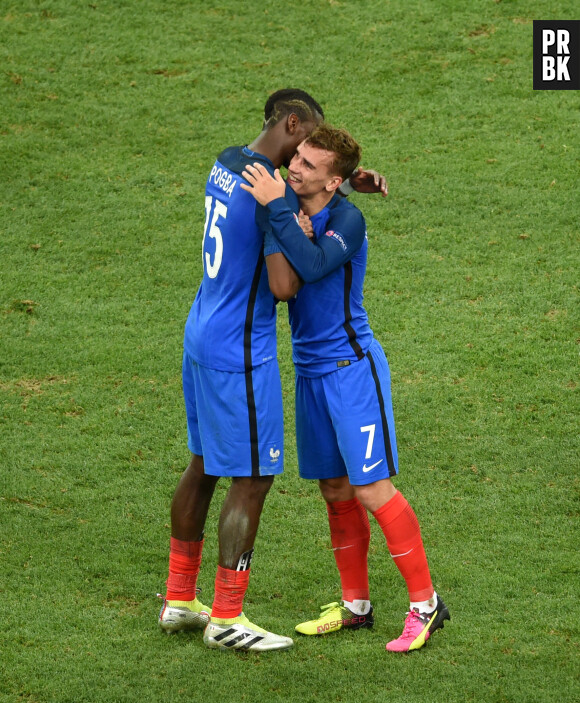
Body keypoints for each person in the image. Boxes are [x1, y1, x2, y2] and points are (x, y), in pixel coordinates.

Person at [157, 90, 387, 652]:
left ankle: (180, 599)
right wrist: (295, 211)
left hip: (201, 327)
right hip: (240, 347)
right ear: (292, 123)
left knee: (204, 462)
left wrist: (336, 185)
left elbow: (286, 188)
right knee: (253, 477)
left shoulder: (228, 160)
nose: (307, 153)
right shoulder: (273, 190)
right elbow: (286, 285)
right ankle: (228, 618)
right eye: (307, 140)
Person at [240, 123, 450, 653]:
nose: (296, 167)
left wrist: (283, 212)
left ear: (333, 183)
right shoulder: (295, 196)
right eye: (299, 158)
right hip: (309, 372)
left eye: (310, 165)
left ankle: (425, 605)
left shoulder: (348, 221)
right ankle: (356, 605)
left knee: (371, 489)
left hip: (353, 371)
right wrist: (297, 204)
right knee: (334, 490)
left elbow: (309, 268)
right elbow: (285, 272)